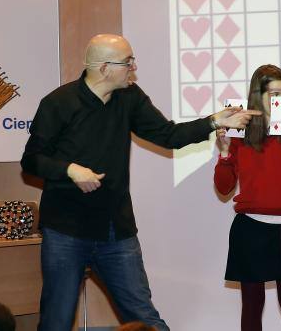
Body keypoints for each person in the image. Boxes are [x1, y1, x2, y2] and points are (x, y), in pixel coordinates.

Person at [20, 34, 259, 331]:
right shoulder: (59, 103)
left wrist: (214, 121)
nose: (134, 67)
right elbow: (31, 161)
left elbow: (168, 135)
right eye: (127, 62)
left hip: (115, 231)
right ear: (105, 67)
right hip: (66, 231)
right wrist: (70, 170)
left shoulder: (129, 97)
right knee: (56, 320)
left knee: (144, 318)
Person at [213, 64, 281, 331]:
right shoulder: (240, 129)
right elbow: (224, 187)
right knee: (251, 305)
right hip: (250, 226)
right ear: (257, 95)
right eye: (274, 94)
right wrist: (225, 153)